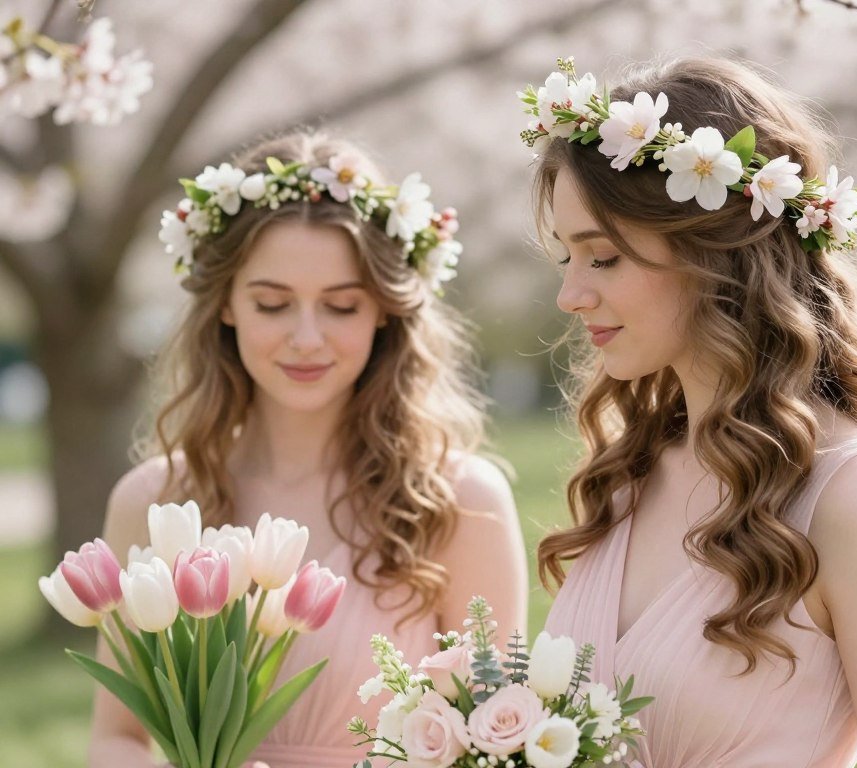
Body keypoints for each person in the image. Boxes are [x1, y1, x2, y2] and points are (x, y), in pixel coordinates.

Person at [521, 57, 857, 767]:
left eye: (603, 258)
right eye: (567, 260)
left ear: (714, 254)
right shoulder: (632, 474)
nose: (570, 296)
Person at [88, 129, 528, 767]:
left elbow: (499, 743)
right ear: (227, 305)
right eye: (272, 304)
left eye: (341, 307)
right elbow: (116, 737)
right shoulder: (156, 502)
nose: (306, 338)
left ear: (383, 311)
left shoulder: (459, 501)